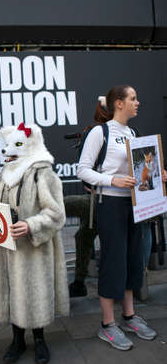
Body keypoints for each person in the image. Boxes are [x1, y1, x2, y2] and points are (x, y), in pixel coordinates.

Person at [77, 85, 167, 351]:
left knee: (133, 261)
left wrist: (157, 175)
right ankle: (108, 325)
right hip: (111, 205)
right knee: (113, 262)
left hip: (136, 206)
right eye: (133, 98)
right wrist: (111, 179)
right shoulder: (99, 132)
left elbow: (143, 171)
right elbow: (82, 170)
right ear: (118, 103)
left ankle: (129, 317)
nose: (137, 103)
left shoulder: (133, 133)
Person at [0, 123, 69, 364]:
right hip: (7, 247)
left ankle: (40, 340)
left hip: (33, 250)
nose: (8, 151)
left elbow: (57, 213)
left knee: (35, 292)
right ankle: (17, 340)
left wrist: (32, 224)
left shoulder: (44, 173)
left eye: (16, 145)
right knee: (13, 292)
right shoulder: (5, 173)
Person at [67, 97, 110, 297]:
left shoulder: (101, 132)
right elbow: (85, 169)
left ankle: (80, 282)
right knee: (84, 236)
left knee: (59, 206)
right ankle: (79, 283)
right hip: (100, 198)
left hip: (102, 199)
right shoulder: (100, 132)